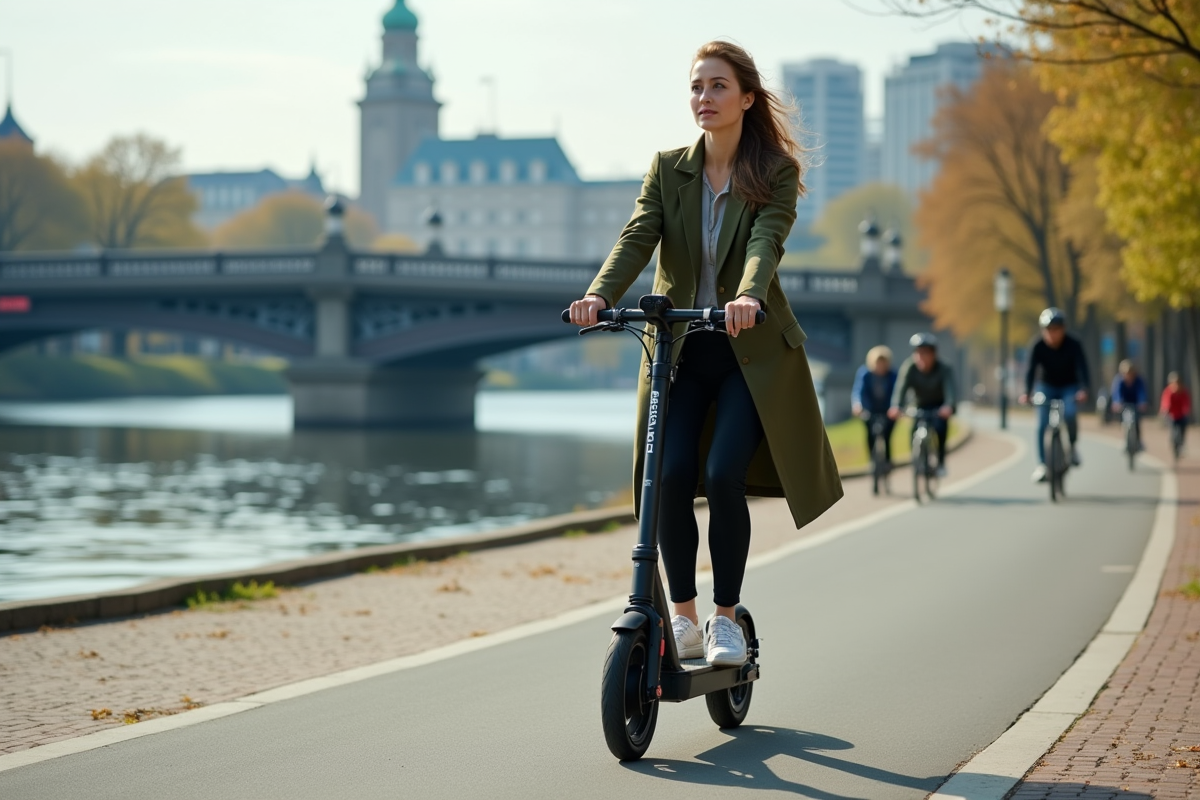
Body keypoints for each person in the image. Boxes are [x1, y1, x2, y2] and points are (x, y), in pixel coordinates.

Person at [569, 41, 842, 667]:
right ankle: (684, 619)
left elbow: (766, 242)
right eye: (696, 87)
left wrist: (748, 296)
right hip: (680, 352)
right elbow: (638, 234)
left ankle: (724, 618)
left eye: (717, 87)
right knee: (664, 478)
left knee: (721, 474)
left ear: (746, 98)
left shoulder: (774, 172)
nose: (704, 99)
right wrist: (598, 294)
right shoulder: (669, 168)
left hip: (749, 353)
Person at [1019, 307, 1090, 482]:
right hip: (1046, 386)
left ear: (1063, 329)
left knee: (1070, 413)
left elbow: (1083, 368)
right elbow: (1030, 370)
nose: (1052, 334)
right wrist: (1027, 393)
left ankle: (1072, 448)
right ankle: (1043, 464)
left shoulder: (1074, 344)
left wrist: (1083, 389)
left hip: (1069, 386)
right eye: (1048, 330)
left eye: (1056, 330)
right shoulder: (1037, 345)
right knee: (1042, 423)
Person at [888, 333, 955, 477]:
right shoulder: (909, 367)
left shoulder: (944, 368)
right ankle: (916, 461)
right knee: (913, 430)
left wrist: (948, 406)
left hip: (939, 405)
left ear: (933, 354)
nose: (921, 357)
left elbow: (950, 390)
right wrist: (896, 406)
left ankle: (941, 462)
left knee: (940, 428)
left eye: (925, 353)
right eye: (918, 353)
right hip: (919, 404)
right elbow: (900, 389)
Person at [851, 346, 898, 468]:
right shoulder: (865, 374)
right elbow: (858, 391)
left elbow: (897, 393)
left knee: (887, 434)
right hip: (870, 409)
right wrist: (857, 405)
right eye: (878, 363)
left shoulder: (893, 375)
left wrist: (896, 408)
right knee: (869, 432)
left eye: (883, 363)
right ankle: (872, 460)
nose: (880, 367)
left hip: (888, 410)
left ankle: (888, 460)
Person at [1109, 359, 1148, 449]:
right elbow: (1116, 393)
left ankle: (1138, 440)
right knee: (1123, 420)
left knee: (1137, 420)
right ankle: (1125, 438)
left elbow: (1141, 392)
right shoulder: (1119, 381)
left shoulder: (1139, 380)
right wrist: (1117, 402)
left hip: (1135, 403)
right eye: (1126, 373)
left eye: (1130, 372)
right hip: (1124, 404)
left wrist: (1142, 402)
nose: (1128, 375)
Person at [1161, 371, 1192, 453]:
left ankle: (1182, 443)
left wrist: (1186, 410)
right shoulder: (1168, 392)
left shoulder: (1183, 391)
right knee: (1172, 428)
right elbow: (1165, 402)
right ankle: (1172, 441)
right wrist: (1166, 409)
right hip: (1172, 415)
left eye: (1177, 383)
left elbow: (1186, 402)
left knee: (1183, 426)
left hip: (1181, 414)